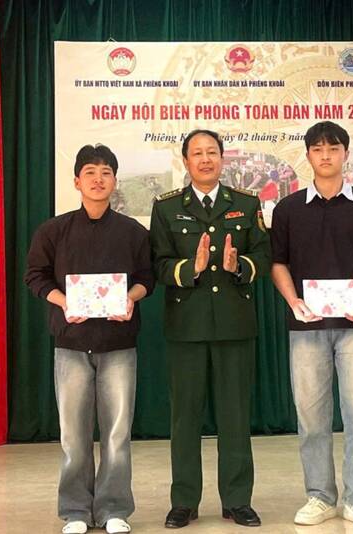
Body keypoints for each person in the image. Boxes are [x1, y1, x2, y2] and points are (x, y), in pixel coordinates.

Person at [269, 121, 353, 528]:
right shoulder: (288, 209)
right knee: (311, 416)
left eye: (333, 148)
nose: (325, 155)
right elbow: (278, 264)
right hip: (307, 328)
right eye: (317, 148)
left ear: (346, 154)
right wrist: (293, 301)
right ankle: (320, 496)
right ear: (307, 156)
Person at [24, 144, 154, 534]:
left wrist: (130, 299)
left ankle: (114, 509)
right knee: (74, 435)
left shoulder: (133, 232)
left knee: (117, 432)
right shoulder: (53, 230)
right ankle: (76, 510)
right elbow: (35, 276)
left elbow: (147, 279)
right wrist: (64, 302)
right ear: (77, 180)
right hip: (71, 344)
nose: (99, 179)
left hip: (119, 344)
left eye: (106, 173)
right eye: (91, 172)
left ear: (115, 181)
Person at [149, 129, 271, 529]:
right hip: (186, 325)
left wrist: (241, 267)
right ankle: (184, 501)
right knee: (185, 417)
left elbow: (263, 256)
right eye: (197, 153)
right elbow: (159, 265)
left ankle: (237, 500)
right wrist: (192, 269)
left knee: (235, 415)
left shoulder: (245, 203)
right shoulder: (167, 208)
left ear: (223, 159)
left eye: (212, 152)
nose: (205, 159)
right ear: (185, 161)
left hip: (235, 324)